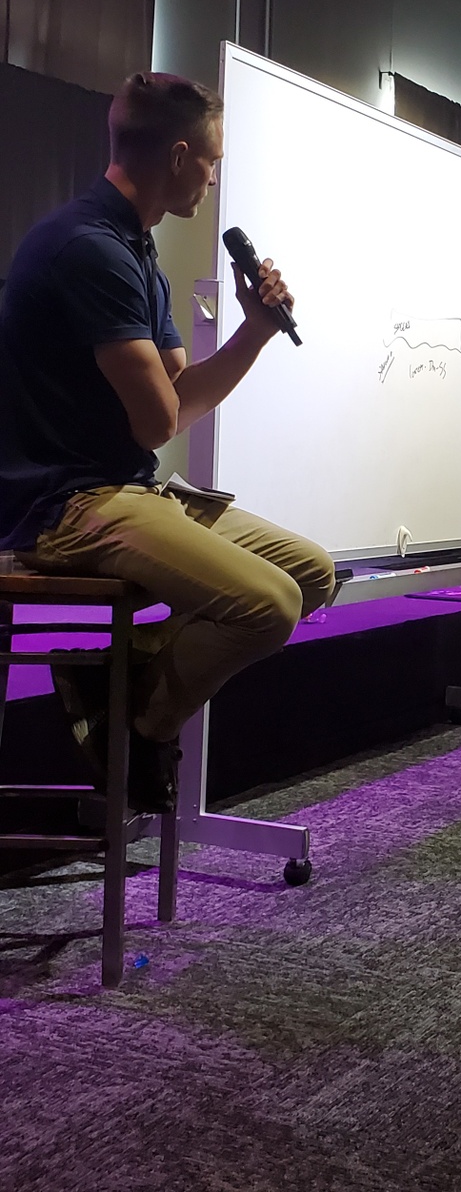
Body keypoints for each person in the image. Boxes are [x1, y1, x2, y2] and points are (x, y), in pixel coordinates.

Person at [0, 71, 335, 810]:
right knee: (269, 604)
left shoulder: (135, 249)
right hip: (63, 505)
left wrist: (255, 329)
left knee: (312, 573)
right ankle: (137, 727)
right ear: (179, 156)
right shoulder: (90, 249)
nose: (214, 178)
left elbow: (178, 401)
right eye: (211, 161)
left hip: (126, 488)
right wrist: (175, 398)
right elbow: (158, 422)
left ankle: (111, 686)